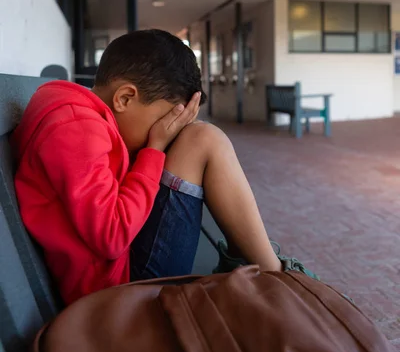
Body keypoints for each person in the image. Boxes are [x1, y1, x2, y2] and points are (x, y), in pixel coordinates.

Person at [13, 30, 314, 306]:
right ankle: (278, 279)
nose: (164, 130)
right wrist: (154, 148)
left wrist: (157, 144)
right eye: (162, 121)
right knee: (204, 139)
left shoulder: (78, 114)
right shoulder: (75, 127)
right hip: (116, 293)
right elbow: (112, 236)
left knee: (198, 137)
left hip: (118, 267)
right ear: (125, 97)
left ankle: (256, 265)